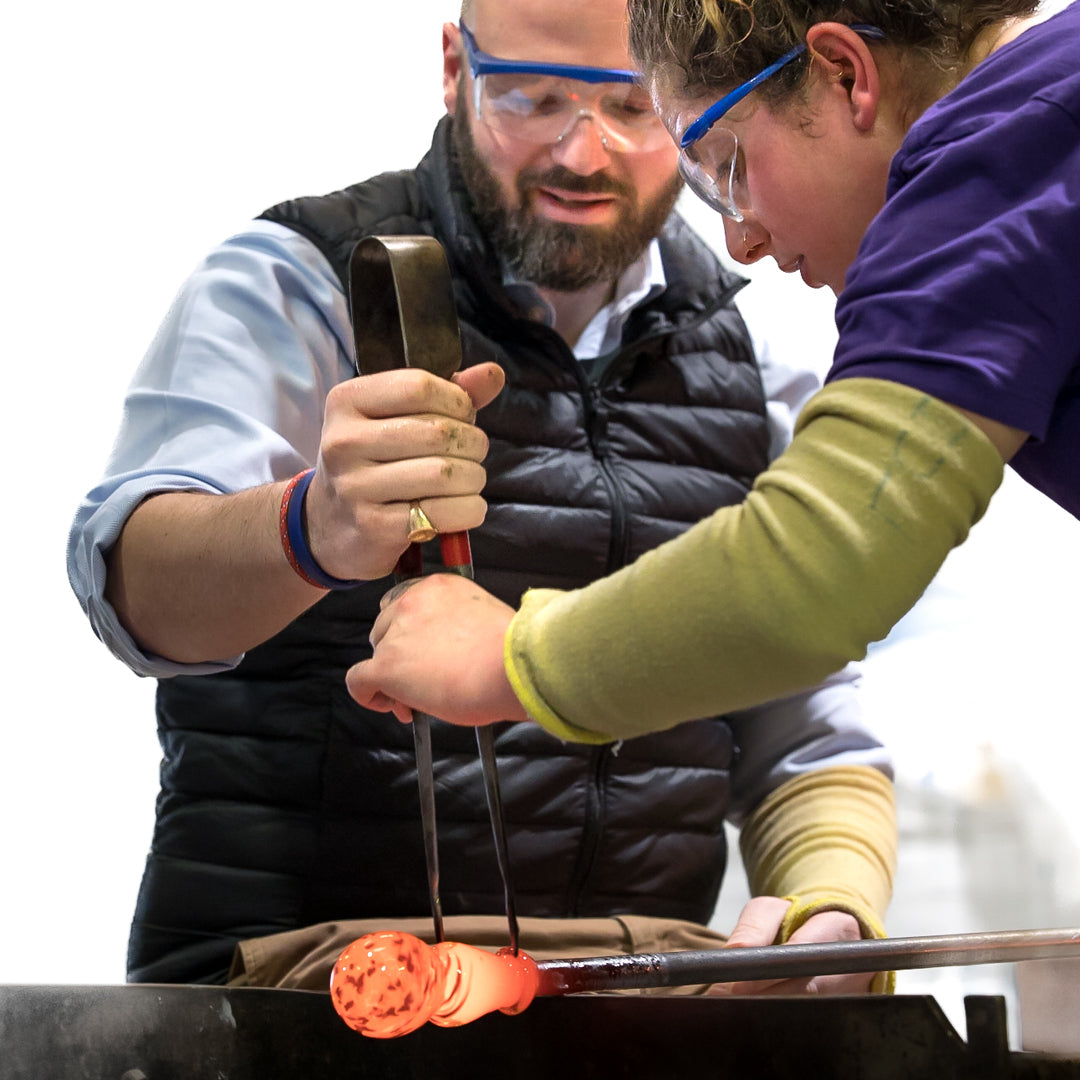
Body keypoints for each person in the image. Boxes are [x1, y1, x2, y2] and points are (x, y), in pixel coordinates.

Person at [67, 0, 896, 993]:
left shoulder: (753, 355)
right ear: (455, 67)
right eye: (532, 98)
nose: (582, 154)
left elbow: (799, 713)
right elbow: (134, 600)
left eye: (636, 108)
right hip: (306, 1000)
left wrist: (834, 903)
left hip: (628, 1006)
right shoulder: (303, 285)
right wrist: (312, 527)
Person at [347, 1, 1077, 749]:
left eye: (725, 164)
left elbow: (820, 571)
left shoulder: (993, 165)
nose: (741, 239)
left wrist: (501, 662)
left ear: (845, 73)